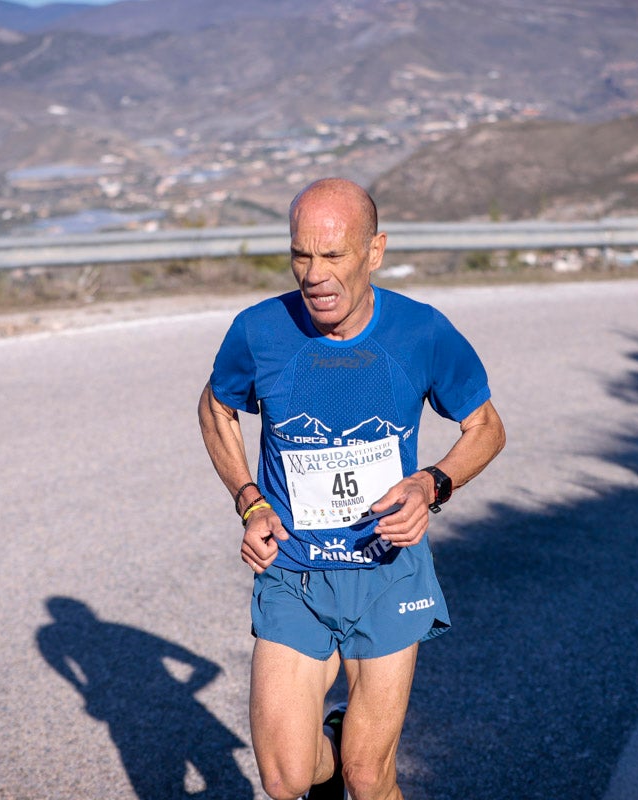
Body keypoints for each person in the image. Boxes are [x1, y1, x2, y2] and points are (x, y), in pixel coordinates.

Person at [198, 177, 505, 800]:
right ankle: (331, 749)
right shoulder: (260, 331)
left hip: (387, 572)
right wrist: (250, 501)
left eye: (333, 255)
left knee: (369, 778)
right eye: (301, 255)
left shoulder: (421, 332)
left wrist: (430, 484)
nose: (314, 275)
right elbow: (216, 407)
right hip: (294, 573)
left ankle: (351, 760)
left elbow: (486, 428)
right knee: (286, 779)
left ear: (375, 251)